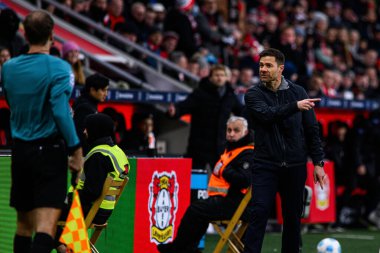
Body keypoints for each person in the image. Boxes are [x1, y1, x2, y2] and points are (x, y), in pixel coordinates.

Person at [1, 10, 83, 253]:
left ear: (25, 34)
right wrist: (75, 148)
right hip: (48, 152)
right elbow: (60, 111)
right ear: (52, 34)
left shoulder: (9, 68)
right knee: (45, 228)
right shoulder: (60, 68)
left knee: (23, 227)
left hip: (21, 152)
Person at [242, 48, 326, 253]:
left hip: (295, 165)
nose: (263, 69)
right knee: (259, 212)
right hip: (265, 165)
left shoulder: (299, 92)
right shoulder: (253, 94)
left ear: (280, 69)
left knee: (292, 218)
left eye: (268, 65)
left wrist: (318, 163)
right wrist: (295, 106)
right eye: (261, 65)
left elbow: (311, 130)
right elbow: (267, 115)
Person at [157, 116, 254, 253]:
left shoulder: (247, 153)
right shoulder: (233, 150)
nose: (231, 133)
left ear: (245, 132)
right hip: (228, 201)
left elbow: (244, 180)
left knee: (196, 210)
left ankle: (177, 248)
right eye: (229, 130)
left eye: (236, 130)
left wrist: (224, 170)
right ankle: (189, 249)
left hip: (236, 205)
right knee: (200, 211)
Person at [56, 113, 129, 252]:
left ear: (96, 130)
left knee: (47, 217)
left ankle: (70, 250)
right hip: (104, 211)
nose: (84, 132)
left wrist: (69, 200)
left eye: (87, 128)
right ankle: (73, 248)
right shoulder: (118, 152)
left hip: (90, 210)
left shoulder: (99, 155)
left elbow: (92, 192)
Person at [167, 64, 243, 170]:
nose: (219, 78)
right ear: (210, 77)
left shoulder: (230, 95)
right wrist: (174, 112)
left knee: (221, 181)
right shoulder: (200, 93)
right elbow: (184, 106)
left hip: (219, 146)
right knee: (196, 181)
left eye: (222, 75)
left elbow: (242, 113)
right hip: (198, 147)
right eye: (217, 75)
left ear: (226, 78)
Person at [72, 73, 109, 152]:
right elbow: (81, 135)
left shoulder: (87, 104)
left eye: (107, 90)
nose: (106, 94)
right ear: (92, 90)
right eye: (103, 90)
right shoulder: (85, 107)